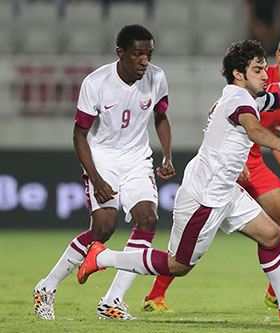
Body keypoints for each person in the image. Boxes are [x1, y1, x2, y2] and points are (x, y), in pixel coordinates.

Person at [76, 39, 280, 324]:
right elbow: (254, 129)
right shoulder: (237, 99)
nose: (265, 75)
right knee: (177, 265)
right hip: (205, 197)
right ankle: (102, 257)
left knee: (271, 235)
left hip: (225, 190)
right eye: (258, 70)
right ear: (238, 74)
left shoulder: (252, 96)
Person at [139, 31, 280, 313]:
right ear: (279, 57)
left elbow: (276, 125)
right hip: (234, 166)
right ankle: (153, 291)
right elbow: (235, 121)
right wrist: (239, 158)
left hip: (247, 167)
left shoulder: (277, 92)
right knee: (181, 260)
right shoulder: (249, 83)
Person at [33, 24, 175, 320]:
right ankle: (46, 287)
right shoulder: (96, 83)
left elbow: (161, 116)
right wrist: (96, 178)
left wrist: (167, 156)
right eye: (138, 54)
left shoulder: (157, 77)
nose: (145, 61)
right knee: (103, 230)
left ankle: (112, 300)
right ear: (120, 53)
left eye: (148, 54)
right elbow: (79, 135)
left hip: (137, 159)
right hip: (104, 160)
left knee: (148, 219)